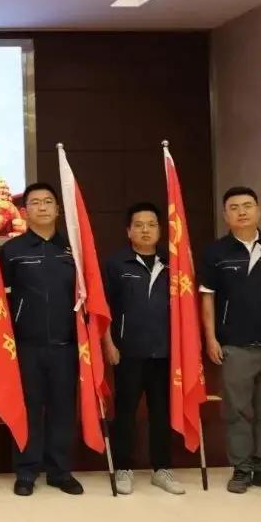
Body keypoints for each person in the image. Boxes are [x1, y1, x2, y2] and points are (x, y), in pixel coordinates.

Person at [200, 187, 261, 495]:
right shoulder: (216, 252)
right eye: (234, 207)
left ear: (258, 210)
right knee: (236, 410)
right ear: (225, 215)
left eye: (247, 206)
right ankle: (241, 469)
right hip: (234, 345)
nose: (242, 212)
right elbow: (207, 298)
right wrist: (211, 337)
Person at [0, 182, 84, 496]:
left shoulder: (74, 248)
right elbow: (0, 301)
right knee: (28, 410)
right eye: (35, 202)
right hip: (26, 345)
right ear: (24, 211)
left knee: (63, 410)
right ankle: (26, 471)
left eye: (48, 201)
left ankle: (60, 471)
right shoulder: (12, 250)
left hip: (66, 344)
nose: (43, 207)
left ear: (58, 209)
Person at [101, 202, 184, 496]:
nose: (145, 230)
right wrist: (109, 343)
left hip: (165, 353)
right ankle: (124, 468)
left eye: (151, 224)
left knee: (161, 412)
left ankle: (162, 469)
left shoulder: (174, 264)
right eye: (138, 225)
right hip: (128, 352)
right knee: (125, 412)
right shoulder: (116, 264)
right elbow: (103, 309)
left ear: (160, 230)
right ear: (128, 231)